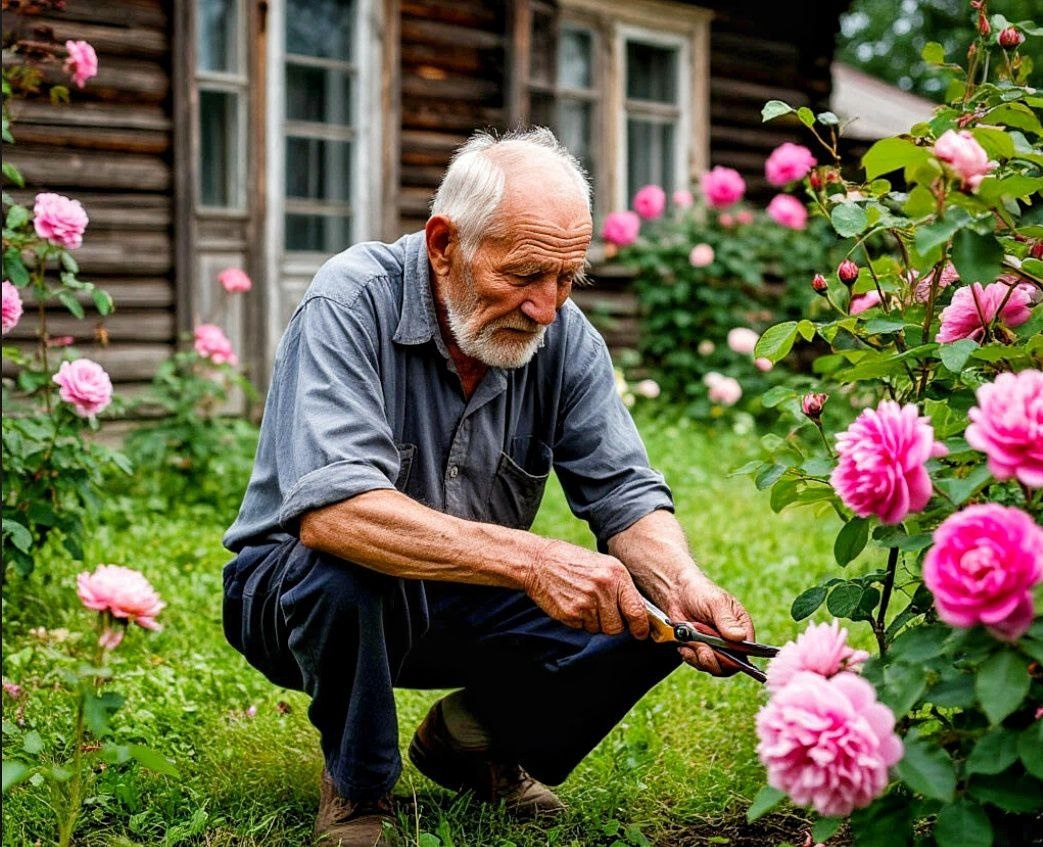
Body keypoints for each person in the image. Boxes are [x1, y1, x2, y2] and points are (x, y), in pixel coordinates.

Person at [222, 128, 756, 847]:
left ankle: (473, 739)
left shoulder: (563, 336)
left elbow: (624, 490)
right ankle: (357, 787)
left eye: (567, 278)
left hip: (462, 595)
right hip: (294, 600)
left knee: (653, 610)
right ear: (445, 244)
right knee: (348, 562)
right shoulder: (351, 300)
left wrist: (682, 582)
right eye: (526, 274)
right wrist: (536, 561)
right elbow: (333, 515)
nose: (546, 305)